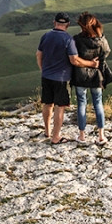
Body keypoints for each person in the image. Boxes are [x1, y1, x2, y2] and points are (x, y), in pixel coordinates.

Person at [36, 12, 99, 144]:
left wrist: (43, 70)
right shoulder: (68, 39)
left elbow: (38, 54)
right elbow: (74, 60)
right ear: (68, 25)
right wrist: (92, 64)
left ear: (54, 23)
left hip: (46, 76)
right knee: (60, 106)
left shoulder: (46, 36)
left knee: (47, 103)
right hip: (62, 78)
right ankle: (56, 137)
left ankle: (47, 131)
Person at [71, 12, 111, 145]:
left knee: (81, 103)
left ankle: (82, 136)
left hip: (80, 75)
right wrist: (97, 60)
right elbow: (107, 52)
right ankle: (101, 135)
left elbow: (73, 57)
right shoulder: (101, 40)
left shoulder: (76, 39)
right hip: (96, 75)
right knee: (98, 104)